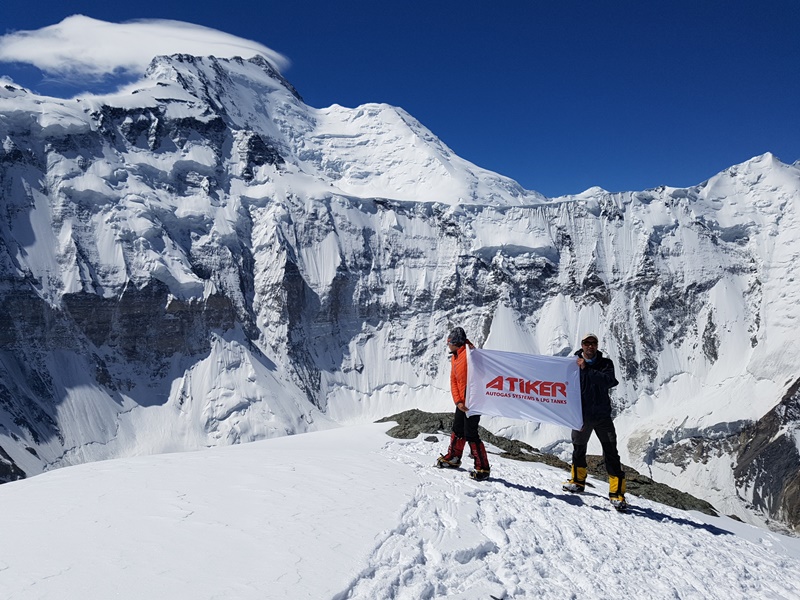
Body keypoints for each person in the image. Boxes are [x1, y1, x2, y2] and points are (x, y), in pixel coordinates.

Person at [563, 332, 627, 510]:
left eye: (593, 343)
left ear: (597, 346)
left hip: (602, 417)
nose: (590, 346)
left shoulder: (606, 364)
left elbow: (609, 381)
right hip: (581, 416)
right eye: (587, 343)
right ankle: (577, 481)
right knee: (578, 448)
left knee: (611, 452)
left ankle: (617, 493)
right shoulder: (572, 364)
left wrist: (587, 370)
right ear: (582, 345)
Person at [436, 326, 491, 481]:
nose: (448, 345)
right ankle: (454, 458)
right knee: (458, 429)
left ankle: (483, 468)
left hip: (473, 399)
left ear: (456, 342)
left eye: (449, 342)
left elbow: (482, 377)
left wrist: (468, 399)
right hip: (462, 399)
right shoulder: (455, 357)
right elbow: (454, 380)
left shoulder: (471, 355)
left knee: (470, 432)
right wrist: (459, 401)